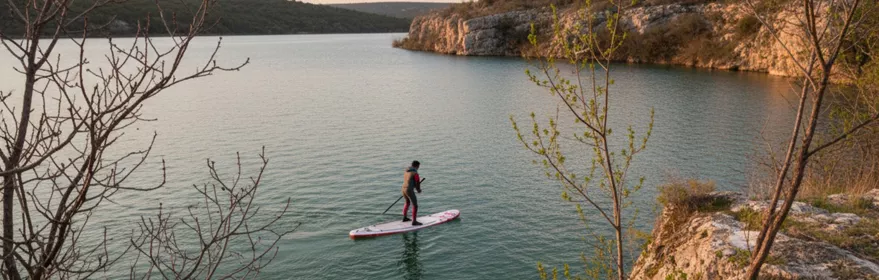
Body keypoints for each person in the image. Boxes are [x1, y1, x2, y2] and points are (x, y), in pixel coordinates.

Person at [402, 160, 423, 226]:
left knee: (407, 202)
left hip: (403, 189)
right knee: (415, 205)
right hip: (409, 190)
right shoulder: (415, 173)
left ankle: (404, 217)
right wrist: (418, 189)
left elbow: (409, 181)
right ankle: (414, 221)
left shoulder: (406, 171)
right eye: (418, 166)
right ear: (417, 166)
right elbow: (417, 182)